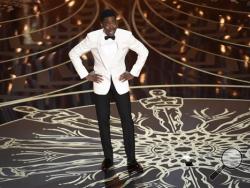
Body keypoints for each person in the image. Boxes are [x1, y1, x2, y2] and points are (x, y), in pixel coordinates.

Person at [68, 9, 148, 173]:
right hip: (101, 82)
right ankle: (108, 159)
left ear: (116, 22)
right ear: (101, 25)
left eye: (114, 22)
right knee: (103, 122)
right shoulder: (93, 37)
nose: (111, 26)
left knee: (127, 121)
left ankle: (132, 161)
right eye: (107, 23)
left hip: (120, 82)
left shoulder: (126, 35)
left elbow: (144, 51)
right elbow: (73, 53)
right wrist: (86, 74)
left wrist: (133, 72)